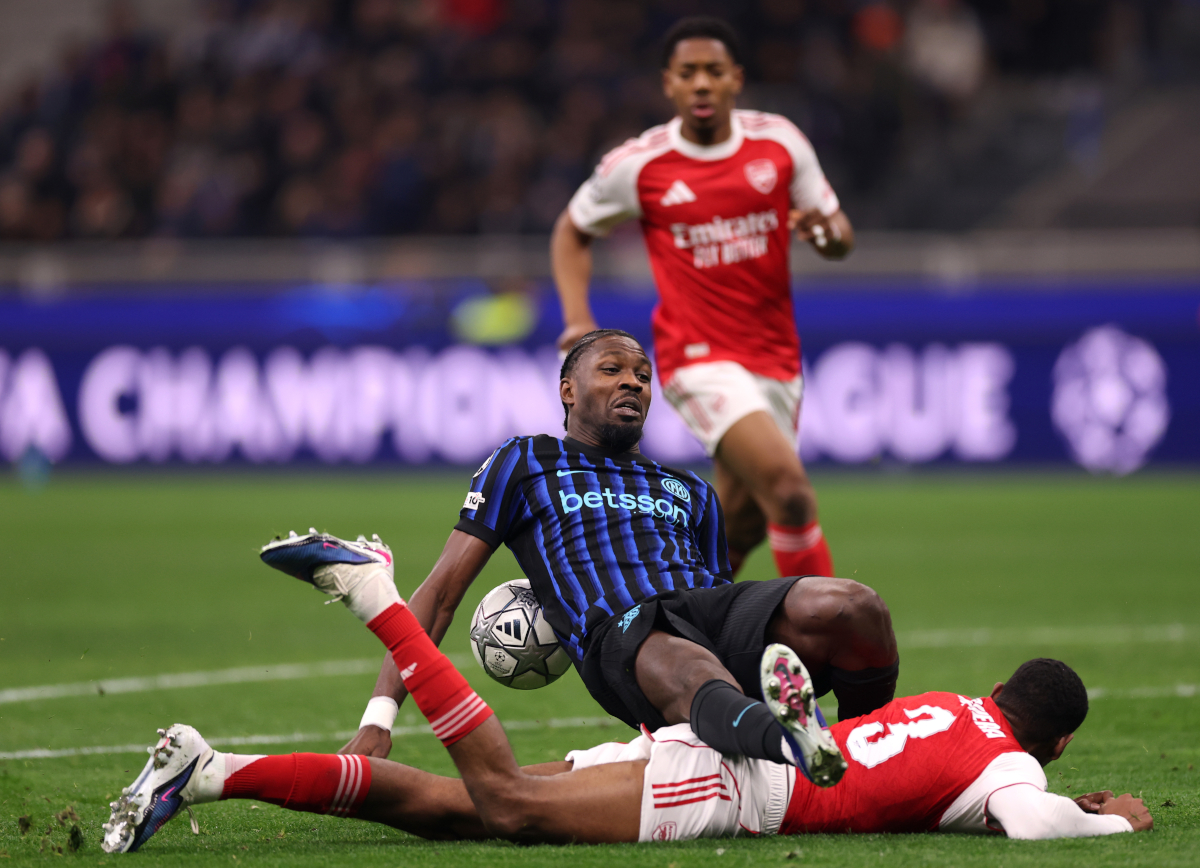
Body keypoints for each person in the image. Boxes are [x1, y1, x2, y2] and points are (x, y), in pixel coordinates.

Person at [101, 557, 1150, 852]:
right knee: (504, 801)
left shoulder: (952, 708)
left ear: (1000, 690)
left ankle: (208, 769)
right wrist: (1107, 819)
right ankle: (382, 604)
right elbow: (1034, 824)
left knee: (451, 809)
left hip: (713, 752)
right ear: (1052, 737)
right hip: (733, 788)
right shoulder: (1011, 763)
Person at [336, 330, 897, 778]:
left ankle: (863, 760)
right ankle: (793, 745)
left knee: (852, 605)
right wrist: (380, 717)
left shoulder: (690, 488)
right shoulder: (526, 461)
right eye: (612, 371)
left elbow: (723, 595)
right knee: (692, 667)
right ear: (568, 391)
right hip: (619, 632)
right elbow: (439, 594)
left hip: (709, 606)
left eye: (643, 377)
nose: (632, 383)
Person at [551, 16, 854, 581]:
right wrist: (576, 319)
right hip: (698, 359)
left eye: (713, 71)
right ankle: (826, 651)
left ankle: (688, 622)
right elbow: (572, 230)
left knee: (740, 526)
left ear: (736, 78)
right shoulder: (639, 164)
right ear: (668, 84)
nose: (701, 84)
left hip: (776, 360)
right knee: (789, 493)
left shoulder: (780, 143)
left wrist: (826, 233)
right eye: (687, 73)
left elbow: (839, 233)